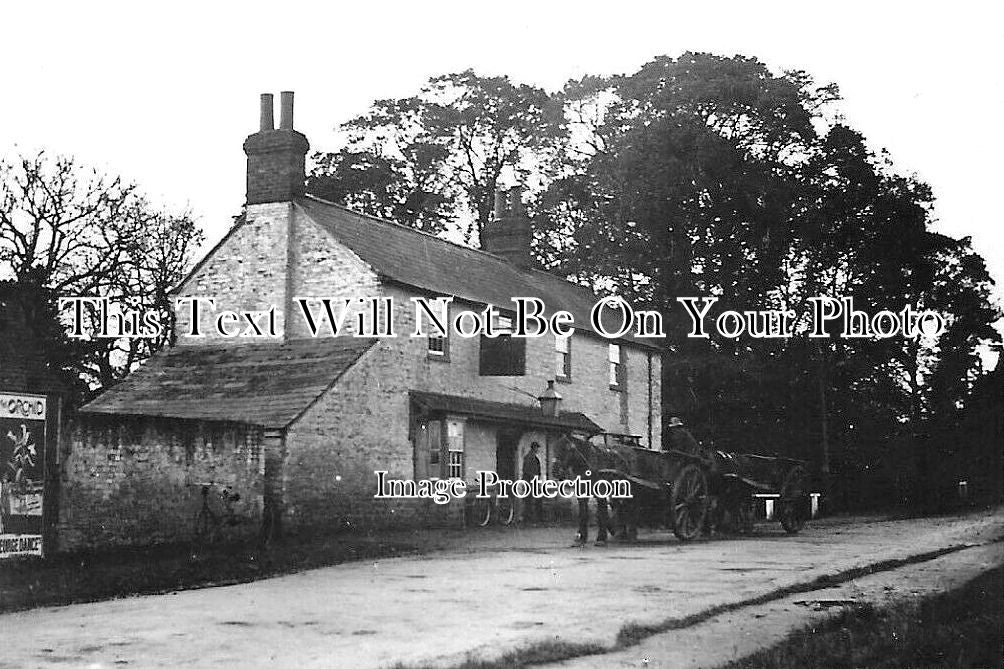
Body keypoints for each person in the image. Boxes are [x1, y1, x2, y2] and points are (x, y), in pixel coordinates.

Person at [521, 442, 544, 524]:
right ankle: (528, 519)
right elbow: (526, 470)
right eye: (537, 448)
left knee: (535, 500)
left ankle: (535, 518)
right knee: (528, 500)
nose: (538, 449)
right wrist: (534, 476)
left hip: (534, 482)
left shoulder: (535, 458)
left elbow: (538, 471)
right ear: (534, 448)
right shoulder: (529, 458)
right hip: (529, 482)